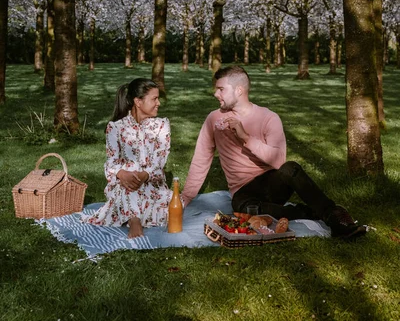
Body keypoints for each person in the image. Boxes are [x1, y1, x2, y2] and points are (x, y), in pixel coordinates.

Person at [181, 65, 366, 239]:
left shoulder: (269, 117)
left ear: (239, 90)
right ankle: (310, 212)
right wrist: (185, 198)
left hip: (272, 182)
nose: (215, 94)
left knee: (290, 168)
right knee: (247, 210)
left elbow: (279, 161)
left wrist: (246, 138)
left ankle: (335, 217)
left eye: (221, 89)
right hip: (243, 193)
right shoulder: (213, 119)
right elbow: (201, 159)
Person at [81, 78, 171, 238]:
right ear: (138, 101)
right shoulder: (116, 128)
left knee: (171, 201)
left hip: (152, 183)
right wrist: (122, 174)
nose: (159, 103)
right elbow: (111, 162)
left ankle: (129, 215)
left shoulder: (161, 125)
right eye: (154, 99)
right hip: (125, 184)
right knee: (128, 190)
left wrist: (145, 175)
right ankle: (135, 221)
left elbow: (160, 159)